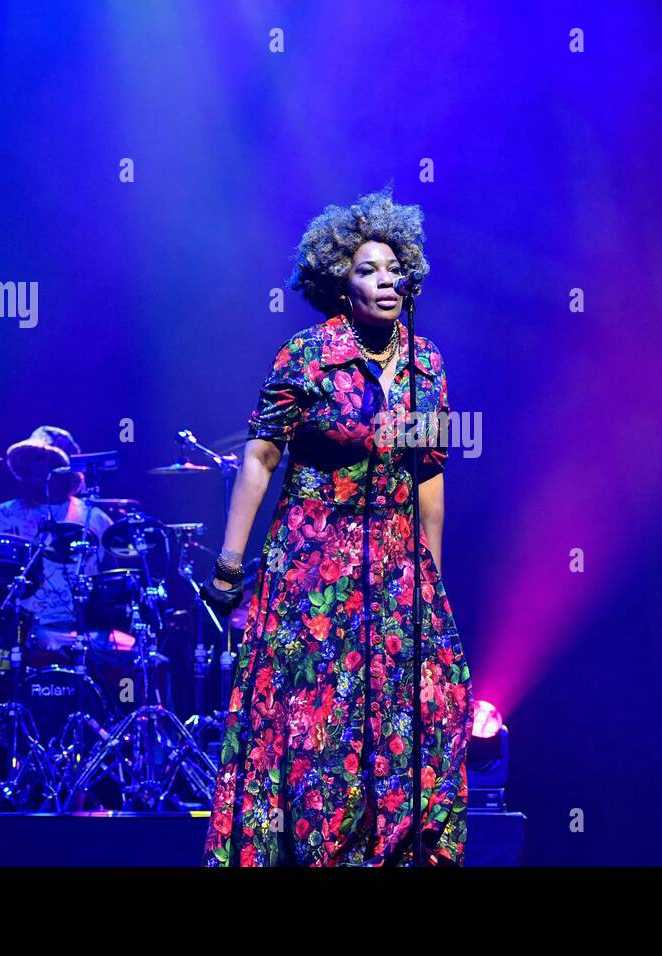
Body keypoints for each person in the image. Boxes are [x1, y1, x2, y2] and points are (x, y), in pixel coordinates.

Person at [200, 187, 474, 866]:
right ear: (338, 284)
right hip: (313, 569)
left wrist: (429, 584)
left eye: (392, 268)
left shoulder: (425, 365)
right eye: (366, 270)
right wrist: (230, 566)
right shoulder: (306, 357)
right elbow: (261, 457)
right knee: (318, 726)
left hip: (395, 568)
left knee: (419, 714)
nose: (384, 279)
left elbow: (427, 478)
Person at [0, 425, 113, 640]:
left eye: (47, 463)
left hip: (81, 631)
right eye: (31, 463)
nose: (37, 469)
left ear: (66, 472)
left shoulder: (94, 518)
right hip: (17, 628)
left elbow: (115, 579)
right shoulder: (0, 515)